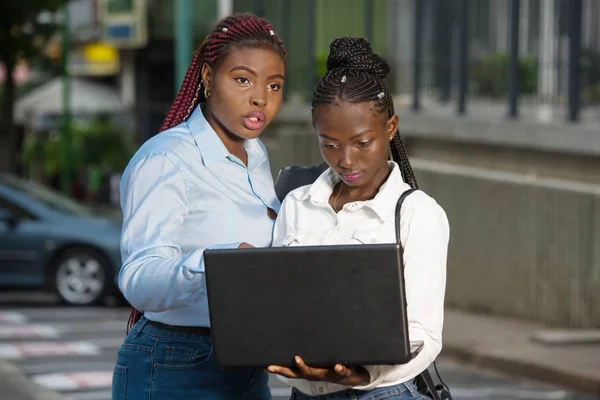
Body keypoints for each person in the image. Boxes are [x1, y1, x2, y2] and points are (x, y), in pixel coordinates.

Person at [112, 13, 287, 400]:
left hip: (246, 363)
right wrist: (218, 266)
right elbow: (138, 279)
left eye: (274, 85)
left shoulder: (255, 156)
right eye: (242, 79)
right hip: (176, 363)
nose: (261, 97)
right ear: (208, 78)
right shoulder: (167, 160)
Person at [268, 37, 450, 400]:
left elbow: (424, 335)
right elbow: (279, 306)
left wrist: (362, 371)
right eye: (330, 144)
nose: (346, 160)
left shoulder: (418, 214)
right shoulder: (296, 205)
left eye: (362, 142)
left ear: (391, 128)